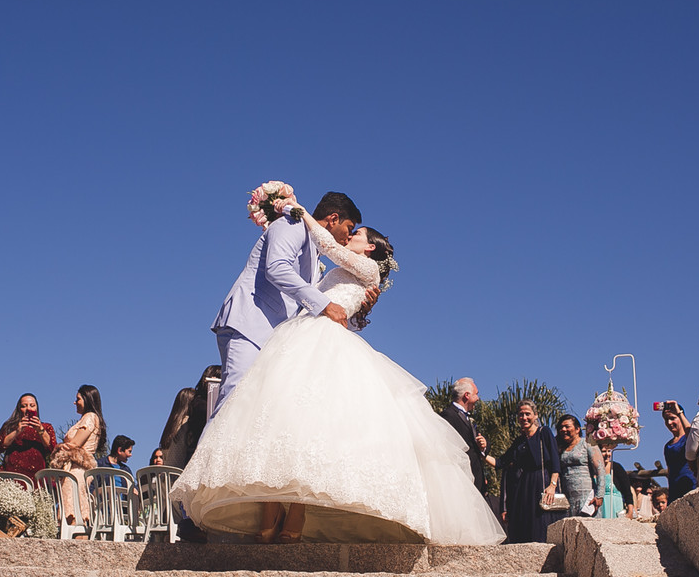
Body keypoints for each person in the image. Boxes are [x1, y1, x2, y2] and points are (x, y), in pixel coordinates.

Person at [173, 204, 502, 545]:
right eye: (350, 228)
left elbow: (331, 257)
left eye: (357, 233)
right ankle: (270, 510)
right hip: (297, 334)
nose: (350, 236)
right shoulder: (332, 267)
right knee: (281, 418)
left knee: (313, 422)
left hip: (322, 340)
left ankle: (297, 513)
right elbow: (320, 297)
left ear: (370, 247)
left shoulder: (367, 268)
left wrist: (302, 212)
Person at [211, 192, 374, 409]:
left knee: (251, 411)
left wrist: (358, 310)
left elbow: (309, 307)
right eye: (349, 227)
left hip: (275, 340)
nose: (349, 235)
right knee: (233, 404)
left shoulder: (317, 258)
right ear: (334, 219)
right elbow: (277, 268)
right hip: (251, 324)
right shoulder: (292, 224)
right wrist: (325, 305)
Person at [487, 402, 563, 542]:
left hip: (542, 482)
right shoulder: (519, 441)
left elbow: (555, 462)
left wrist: (552, 486)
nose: (524, 417)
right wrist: (481, 453)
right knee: (525, 524)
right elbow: (500, 463)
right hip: (524, 487)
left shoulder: (544, 432)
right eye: (521, 414)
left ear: (535, 415)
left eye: (528, 414)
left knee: (541, 523)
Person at [51, 384, 106, 530]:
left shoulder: (90, 417)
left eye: (78, 399)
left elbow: (75, 443)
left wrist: (60, 447)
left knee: (75, 511)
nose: (75, 402)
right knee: (71, 508)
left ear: (87, 399)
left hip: (78, 469)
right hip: (73, 468)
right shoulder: (85, 419)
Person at [439, 378, 488, 495]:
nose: (478, 398)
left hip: (476, 481)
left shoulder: (469, 418)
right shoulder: (448, 416)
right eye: (476, 394)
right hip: (462, 482)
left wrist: (483, 446)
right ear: (467, 395)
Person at [0, 393, 57, 481]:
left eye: (32, 405)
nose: (28, 409)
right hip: (11, 477)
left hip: (36, 478)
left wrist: (40, 430)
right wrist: (17, 431)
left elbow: (52, 449)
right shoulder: (10, 426)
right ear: (19, 409)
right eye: (24, 406)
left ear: (36, 408)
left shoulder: (46, 427)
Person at [554, 414, 603, 517]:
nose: (563, 429)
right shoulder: (559, 448)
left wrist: (599, 495)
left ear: (577, 429)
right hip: (567, 497)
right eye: (561, 427)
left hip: (586, 498)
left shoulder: (588, 443)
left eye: (567, 426)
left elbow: (600, 469)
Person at [660, 403, 696, 502]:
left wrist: (678, 412)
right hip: (674, 491)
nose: (669, 422)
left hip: (690, 485)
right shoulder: (668, 445)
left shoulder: (687, 438)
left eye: (672, 418)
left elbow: (691, 434)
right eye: (666, 419)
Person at [598, 442, 635, 519]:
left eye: (609, 451)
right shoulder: (593, 469)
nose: (607, 454)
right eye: (604, 451)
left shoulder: (616, 468)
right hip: (599, 508)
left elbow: (627, 491)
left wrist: (630, 510)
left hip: (615, 506)